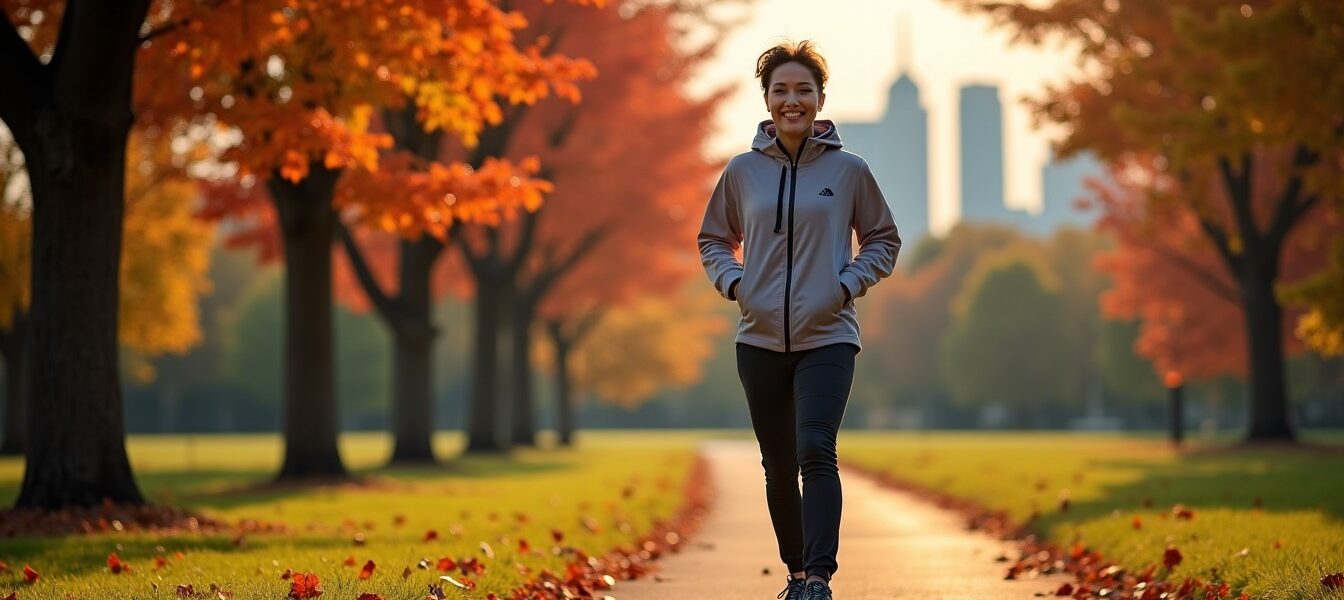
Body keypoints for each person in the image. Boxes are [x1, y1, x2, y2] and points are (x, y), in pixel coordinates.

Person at [697, 39, 901, 600]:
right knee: (777, 463)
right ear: (766, 100)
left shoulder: (849, 170)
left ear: (820, 100)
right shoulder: (741, 172)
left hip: (829, 335)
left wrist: (845, 286)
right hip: (758, 338)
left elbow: (883, 239)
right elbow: (714, 239)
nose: (792, 100)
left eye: (803, 90)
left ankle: (818, 579)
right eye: (781, 90)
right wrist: (736, 284)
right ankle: (793, 573)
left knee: (815, 446)